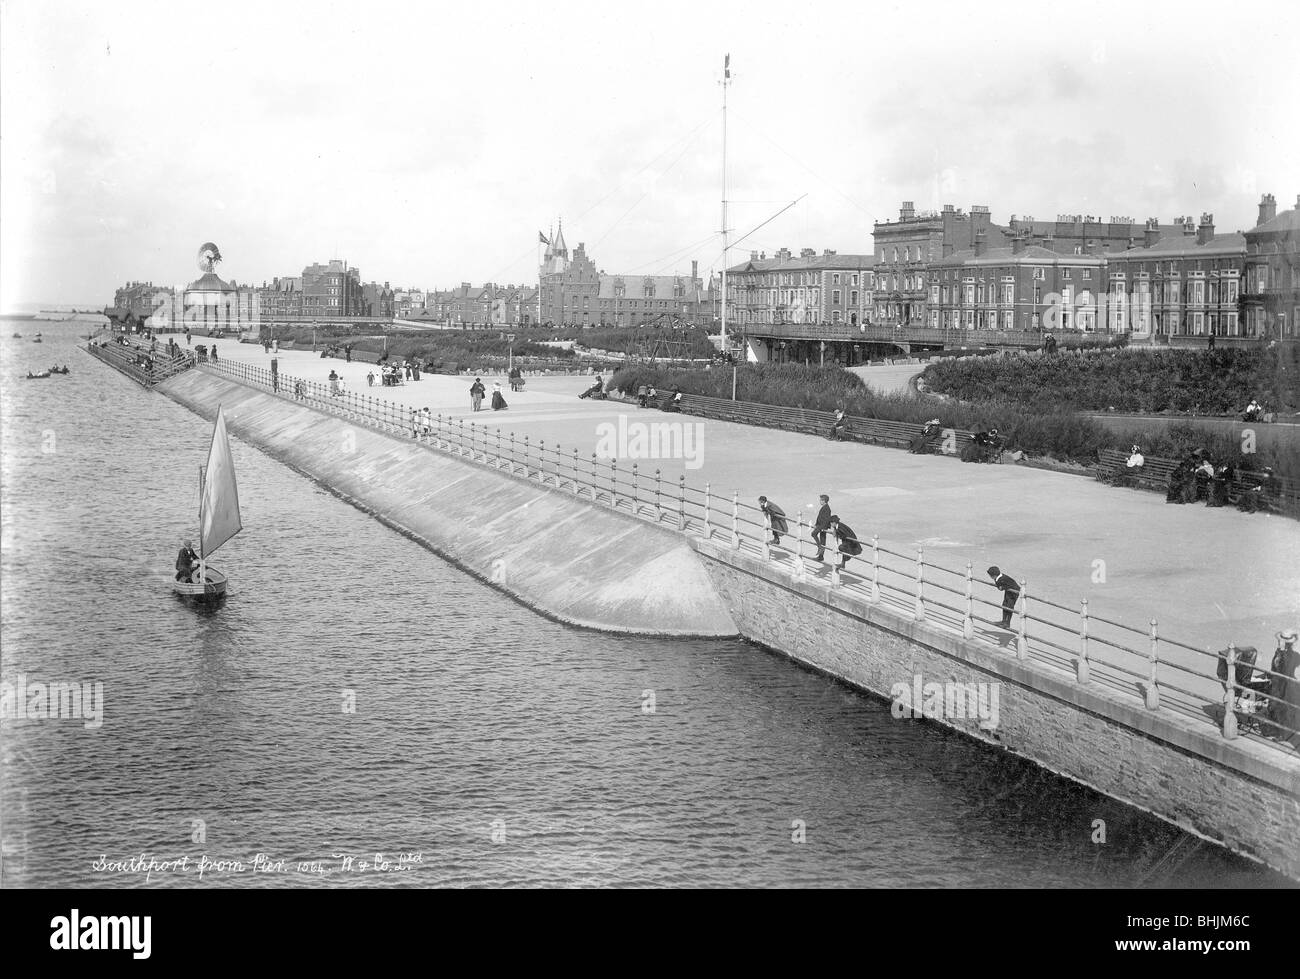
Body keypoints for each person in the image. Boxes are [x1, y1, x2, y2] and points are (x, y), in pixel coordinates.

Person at [1267, 629, 1300, 746]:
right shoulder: (1281, 652)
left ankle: (1283, 733)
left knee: (1283, 707)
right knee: (1279, 706)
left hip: (1285, 685)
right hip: (1280, 682)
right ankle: (1281, 731)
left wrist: (1281, 651)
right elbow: (1274, 667)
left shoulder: (1290, 654)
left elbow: (1282, 668)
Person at [812, 494, 832, 561]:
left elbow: (826, 519)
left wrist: (822, 527)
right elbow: (819, 517)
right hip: (820, 526)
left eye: (821, 500)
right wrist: (816, 524)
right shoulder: (824, 507)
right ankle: (821, 556)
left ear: (824, 501)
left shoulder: (827, 508)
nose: (820, 501)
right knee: (822, 540)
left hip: (823, 527)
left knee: (814, 534)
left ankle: (819, 547)